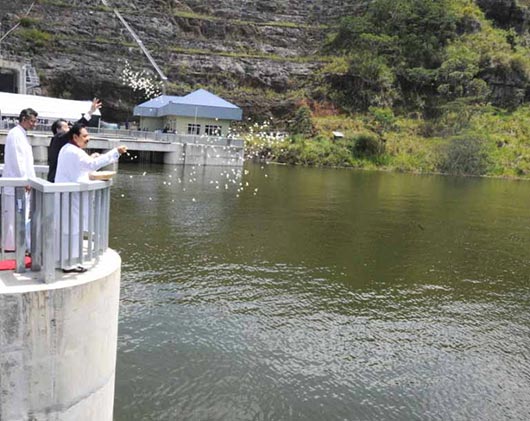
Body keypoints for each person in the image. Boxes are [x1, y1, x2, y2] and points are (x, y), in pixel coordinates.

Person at [55, 123, 127, 272]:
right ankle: (69, 264)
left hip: (67, 196)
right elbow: (91, 165)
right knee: (72, 230)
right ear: (75, 137)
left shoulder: (67, 149)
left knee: (70, 229)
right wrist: (115, 152)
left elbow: (79, 168)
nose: (88, 138)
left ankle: (66, 260)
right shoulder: (74, 152)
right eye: (85, 136)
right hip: (70, 197)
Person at [2, 108, 38, 252]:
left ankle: (17, 244)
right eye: (32, 121)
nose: (34, 124)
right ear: (24, 118)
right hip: (16, 185)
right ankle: (12, 247)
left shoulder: (20, 134)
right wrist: (25, 181)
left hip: (20, 184)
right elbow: (18, 160)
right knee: (13, 217)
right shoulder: (16, 134)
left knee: (20, 215)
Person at [47, 98, 102, 182]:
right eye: (66, 127)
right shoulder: (58, 138)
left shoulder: (63, 143)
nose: (69, 129)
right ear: (58, 129)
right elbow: (76, 127)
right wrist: (90, 112)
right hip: (56, 182)